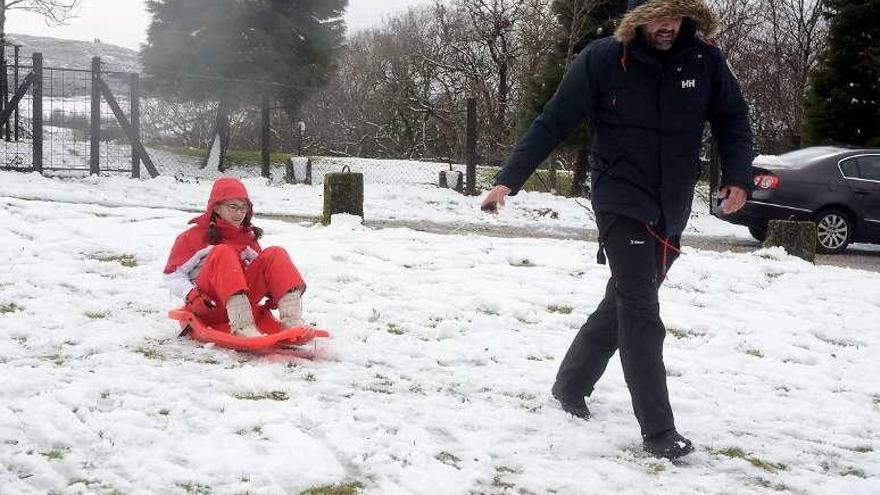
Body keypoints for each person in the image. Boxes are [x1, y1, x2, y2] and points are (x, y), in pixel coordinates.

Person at [481, 0, 754, 460]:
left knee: (624, 301)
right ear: (639, 16)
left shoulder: (705, 59)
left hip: (671, 203)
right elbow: (553, 121)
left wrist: (738, 176)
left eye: (676, 16)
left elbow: (733, 119)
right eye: (659, 16)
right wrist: (509, 179)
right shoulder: (604, 58)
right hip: (619, 198)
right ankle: (659, 430)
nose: (668, 26)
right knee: (641, 309)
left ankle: (571, 383)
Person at [164, 177, 308, 338]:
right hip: (208, 306)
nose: (239, 213)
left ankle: (292, 321)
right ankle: (242, 327)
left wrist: (277, 291)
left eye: (243, 207)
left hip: (246, 305)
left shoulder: (247, 239)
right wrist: (191, 294)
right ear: (217, 208)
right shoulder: (193, 237)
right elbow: (172, 275)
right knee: (223, 252)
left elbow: (266, 272)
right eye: (233, 207)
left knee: (276, 253)